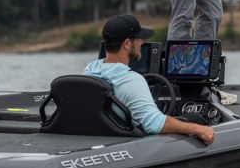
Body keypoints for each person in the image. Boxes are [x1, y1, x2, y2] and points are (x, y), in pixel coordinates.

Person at [84, 14, 215, 145]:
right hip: (131, 144)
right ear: (127, 43)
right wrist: (199, 129)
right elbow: (155, 124)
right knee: (194, 118)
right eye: (138, 38)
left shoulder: (89, 70)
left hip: (103, 136)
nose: (142, 42)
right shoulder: (132, 80)